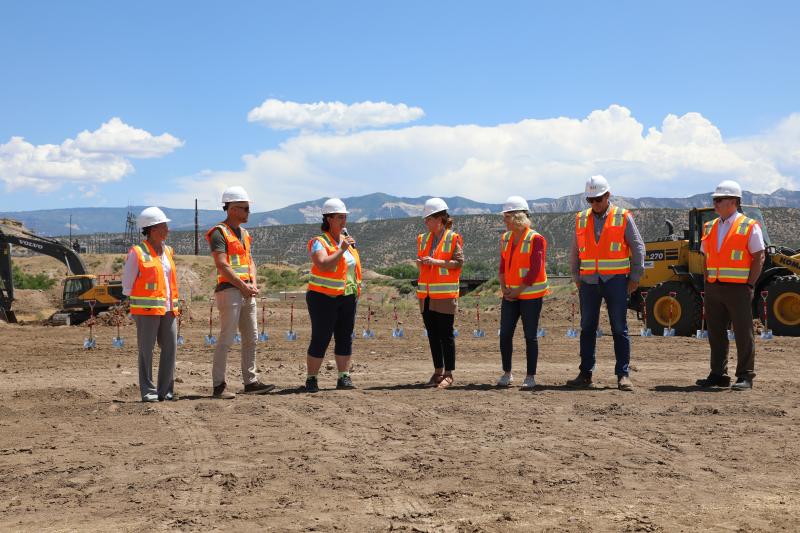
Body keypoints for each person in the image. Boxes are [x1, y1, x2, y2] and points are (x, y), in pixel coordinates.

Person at [568, 175, 645, 391]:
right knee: (587, 328)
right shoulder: (581, 218)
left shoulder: (623, 216)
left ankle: (623, 375)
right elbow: (575, 250)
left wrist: (635, 277)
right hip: (589, 282)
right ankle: (585, 373)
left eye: (598, 199)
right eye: (590, 200)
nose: (594, 204)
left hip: (616, 281)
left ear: (608, 195)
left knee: (619, 328)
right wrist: (576, 275)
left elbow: (638, 247)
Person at [205, 186, 274, 399]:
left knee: (251, 337)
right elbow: (222, 265)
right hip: (230, 290)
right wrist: (243, 286)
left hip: (246, 290)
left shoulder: (244, 234)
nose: (248, 212)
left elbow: (250, 261)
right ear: (232, 209)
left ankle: (251, 381)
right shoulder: (219, 232)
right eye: (244, 208)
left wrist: (251, 281)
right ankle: (219, 385)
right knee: (226, 338)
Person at [696, 180, 764, 390]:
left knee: (744, 333)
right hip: (714, 288)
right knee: (715, 334)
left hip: (738, 288)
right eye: (714, 200)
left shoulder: (749, 226)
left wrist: (749, 285)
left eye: (719, 199)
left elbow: (759, 256)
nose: (715, 203)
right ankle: (718, 373)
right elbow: (705, 257)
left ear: (733, 201)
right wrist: (708, 283)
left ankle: (745, 375)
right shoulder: (709, 226)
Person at [122, 207, 180, 402]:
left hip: (169, 308)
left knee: (170, 348)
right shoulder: (137, 253)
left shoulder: (169, 251)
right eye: (164, 226)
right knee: (146, 351)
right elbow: (127, 285)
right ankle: (148, 391)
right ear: (153, 229)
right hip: (146, 311)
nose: (168, 230)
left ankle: (166, 391)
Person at [304, 198, 362, 393]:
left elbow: (352, 269)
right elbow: (323, 264)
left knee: (345, 337)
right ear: (328, 219)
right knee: (321, 337)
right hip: (323, 297)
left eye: (345, 217)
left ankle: (343, 376)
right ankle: (312, 378)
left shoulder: (348, 243)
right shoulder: (318, 242)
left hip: (347, 296)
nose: (343, 221)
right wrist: (342, 249)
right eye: (339, 217)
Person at [497, 196, 549, 389]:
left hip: (530, 296)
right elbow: (502, 267)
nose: (504, 220)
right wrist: (504, 287)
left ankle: (530, 376)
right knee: (505, 334)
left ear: (517, 217)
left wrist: (517, 290)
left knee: (530, 336)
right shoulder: (505, 238)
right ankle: (507, 373)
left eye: (507, 216)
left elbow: (535, 270)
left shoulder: (536, 239)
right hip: (510, 295)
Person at [417, 198, 464, 389]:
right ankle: (437, 371)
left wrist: (436, 262)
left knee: (446, 335)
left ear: (439, 219)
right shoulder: (422, 238)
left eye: (428, 218)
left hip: (444, 295)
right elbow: (421, 263)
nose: (425, 222)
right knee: (432, 335)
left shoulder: (453, 238)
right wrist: (421, 263)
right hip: (426, 295)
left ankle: (449, 374)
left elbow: (459, 262)